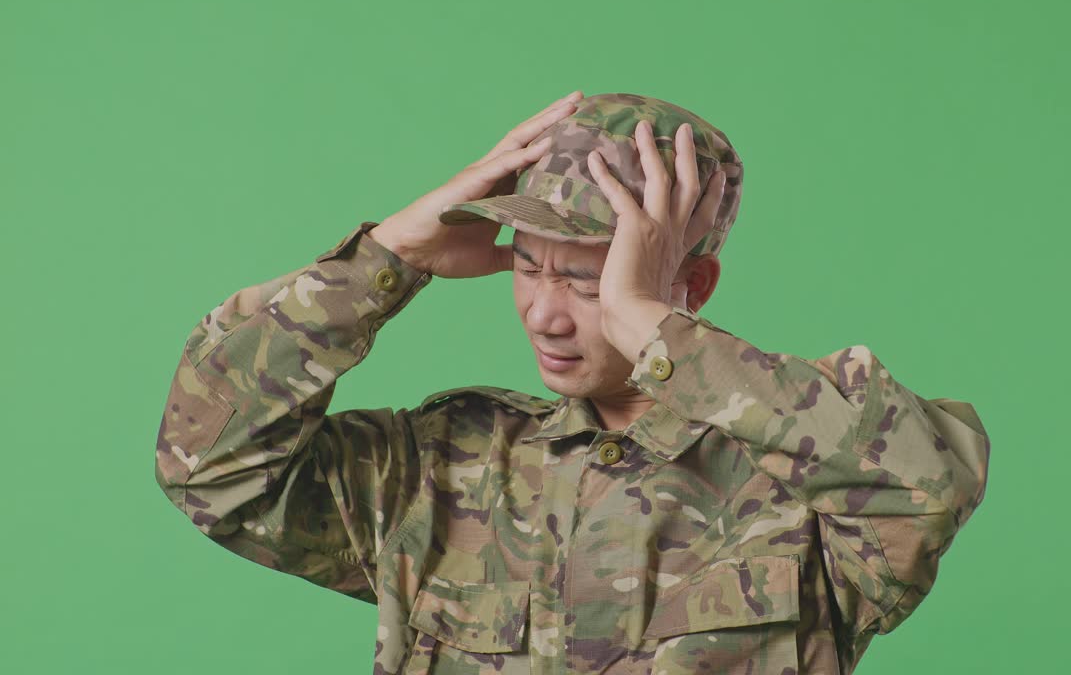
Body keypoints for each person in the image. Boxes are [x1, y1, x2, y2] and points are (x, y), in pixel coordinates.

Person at [153, 90, 991, 674]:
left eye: (588, 283)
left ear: (691, 286)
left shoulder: (795, 474)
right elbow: (212, 465)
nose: (544, 316)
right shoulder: (444, 466)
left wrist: (653, 325)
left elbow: (925, 485)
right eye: (529, 268)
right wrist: (385, 262)